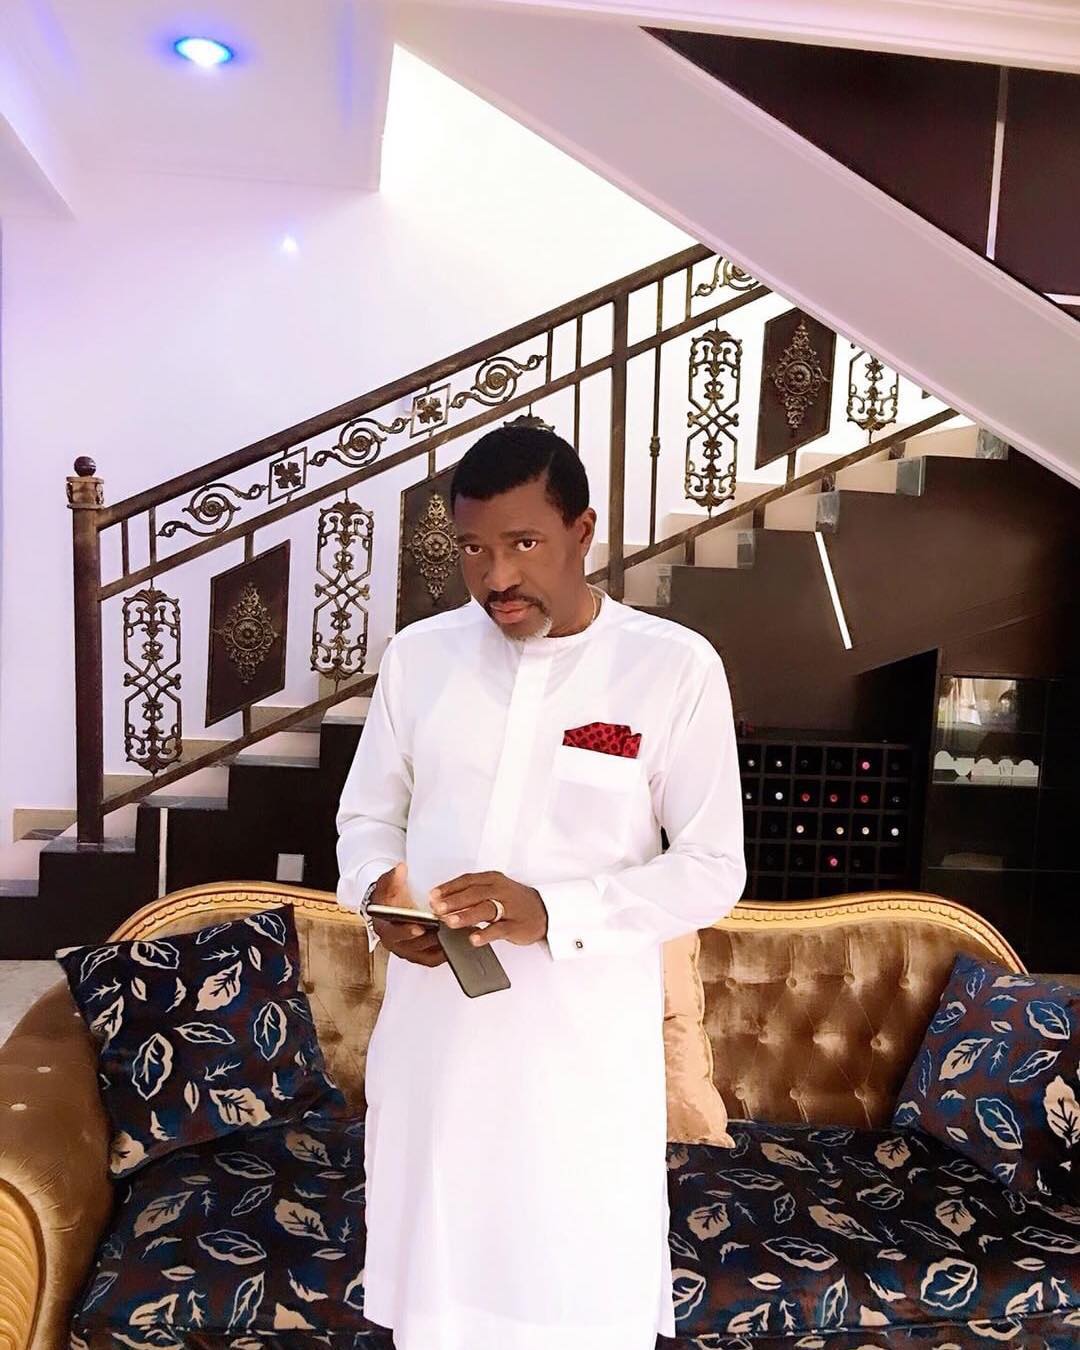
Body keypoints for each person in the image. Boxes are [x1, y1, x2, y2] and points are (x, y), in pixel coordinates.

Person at [335, 422, 746, 1350]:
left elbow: (712, 867)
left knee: (574, 1295)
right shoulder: (420, 658)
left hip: (579, 1063)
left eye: (524, 543)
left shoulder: (671, 667)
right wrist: (381, 900)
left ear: (582, 531)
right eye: (473, 549)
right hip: (436, 1048)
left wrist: (555, 911)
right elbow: (366, 819)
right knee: (436, 1303)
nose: (496, 577)